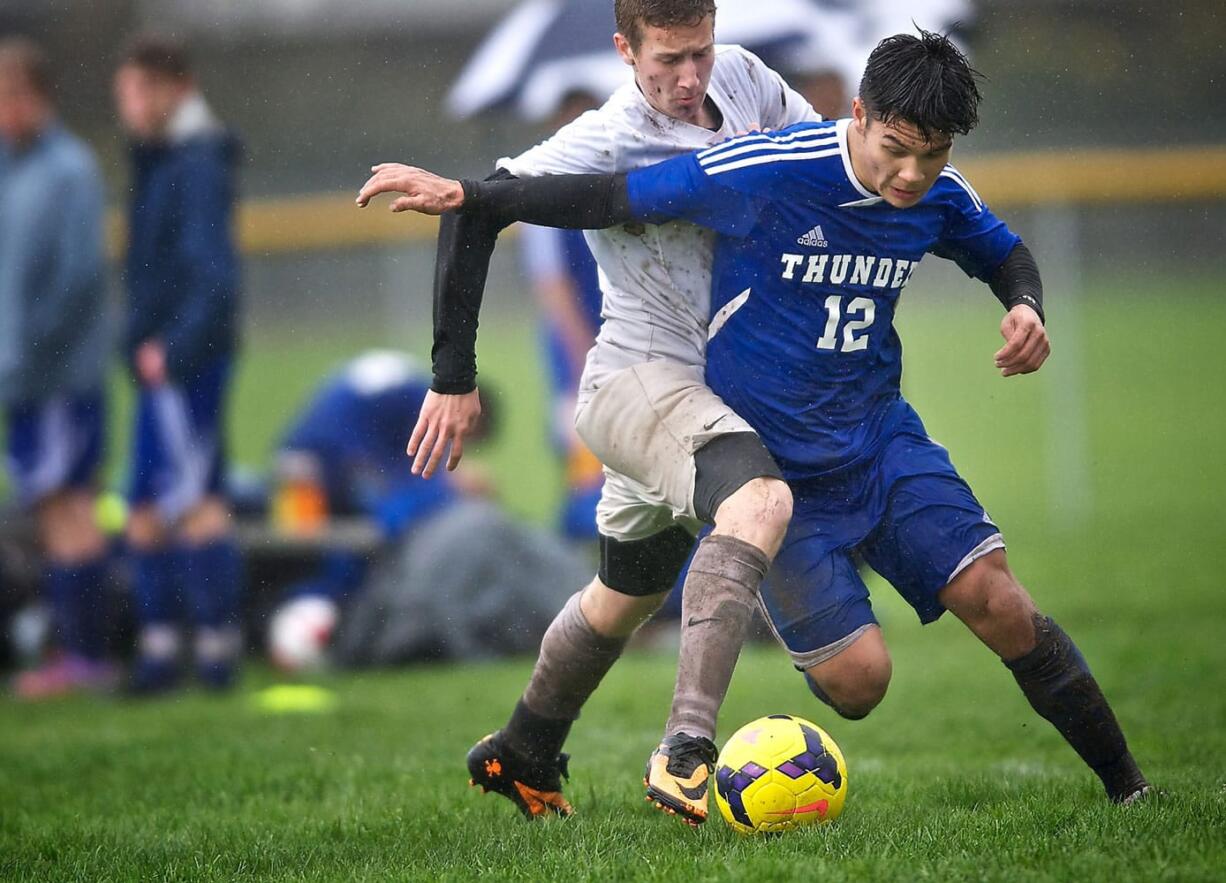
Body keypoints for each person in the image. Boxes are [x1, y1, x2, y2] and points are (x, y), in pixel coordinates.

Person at [359, 31, 1151, 807]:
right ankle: (686, 744)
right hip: (689, 404)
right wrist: (474, 196)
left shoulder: (791, 110)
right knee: (847, 661)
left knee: (991, 597)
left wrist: (1026, 306)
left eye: (931, 154)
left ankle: (1132, 789)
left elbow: (1001, 249)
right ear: (862, 113)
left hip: (874, 439)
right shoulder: (740, 166)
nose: (910, 174)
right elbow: (610, 195)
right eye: (897, 149)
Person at [360, 0, 821, 824]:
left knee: (622, 594)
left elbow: (822, 158)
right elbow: (480, 208)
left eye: (700, 52)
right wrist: (453, 374)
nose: (689, 77)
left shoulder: (746, 78)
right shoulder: (607, 136)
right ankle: (686, 750)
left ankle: (521, 748)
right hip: (640, 381)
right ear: (623, 50)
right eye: (666, 60)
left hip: (711, 388)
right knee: (760, 502)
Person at [114, 35, 244, 693]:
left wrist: (176, 343)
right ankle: (161, 648)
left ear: (172, 88)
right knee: (144, 502)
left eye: (137, 91)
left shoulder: (196, 162)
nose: (128, 107)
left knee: (195, 501)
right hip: (158, 358)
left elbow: (211, 274)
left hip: (184, 360)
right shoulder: (162, 160)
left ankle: (217, 650)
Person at [0, 38, 115, 698]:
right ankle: (69, 651)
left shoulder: (69, 170)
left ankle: (88, 658)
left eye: (13, 97)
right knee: (48, 510)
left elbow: (76, 280)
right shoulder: (11, 170)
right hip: (22, 376)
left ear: (38, 97)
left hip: (61, 375)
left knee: (71, 506)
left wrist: (31, 351)